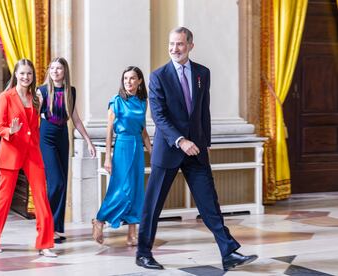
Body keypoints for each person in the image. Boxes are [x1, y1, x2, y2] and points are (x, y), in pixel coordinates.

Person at [136, 27, 258, 271]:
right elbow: (158, 116)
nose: (174, 49)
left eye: (180, 44)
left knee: (209, 202)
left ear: (191, 45)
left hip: (197, 150)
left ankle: (228, 252)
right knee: (154, 203)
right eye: (171, 44)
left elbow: (203, 111)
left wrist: (206, 143)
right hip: (169, 149)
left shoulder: (203, 73)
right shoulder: (158, 76)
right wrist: (180, 140)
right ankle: (143, 253)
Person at [0, 59, 56, 257]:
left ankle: (45, 243)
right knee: (4, 197)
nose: (26, 77)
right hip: (11, 152)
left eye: (30, 74)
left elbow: (35, 128)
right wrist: (11, 130)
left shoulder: (36, 98)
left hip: (32, 153)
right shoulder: (5, 97)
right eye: (23, 73)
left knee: (41, 197)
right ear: (15, 74)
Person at [37, 57, 96, 242]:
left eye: (59, 68)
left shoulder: (71, 91)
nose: (55, 71)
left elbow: (75, 119)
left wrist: (88, 141)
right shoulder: (42, 90)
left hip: (63, 136)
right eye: (52, 68)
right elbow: (33, 116)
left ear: (65, 71)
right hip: (46, 136)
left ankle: (56, 227)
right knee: (56, 182)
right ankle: (46, 226)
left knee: (63, 181)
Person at [92, 66, 151, 246]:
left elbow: (143, 131)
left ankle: (132, 233)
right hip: (122, 147)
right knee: (120, 188)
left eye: (132, 78)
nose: (128, 82)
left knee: (136, 189)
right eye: (125, 78)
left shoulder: (143, 102)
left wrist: (152, 152)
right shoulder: (116, 101)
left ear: (139, 81)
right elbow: (109, 131)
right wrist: (108, 157)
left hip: (137, 148)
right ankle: (100, 220)